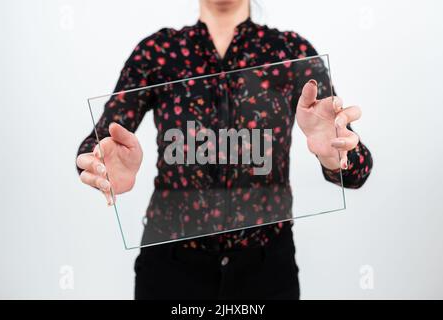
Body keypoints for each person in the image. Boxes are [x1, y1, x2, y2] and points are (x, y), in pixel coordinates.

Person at [76, 0, 373, 299]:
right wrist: (102, 162)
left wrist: (334, 155)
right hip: (170, 272)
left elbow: (358, 169)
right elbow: (95, 144)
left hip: (266, 273)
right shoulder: (158, 51)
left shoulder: (291, 53)